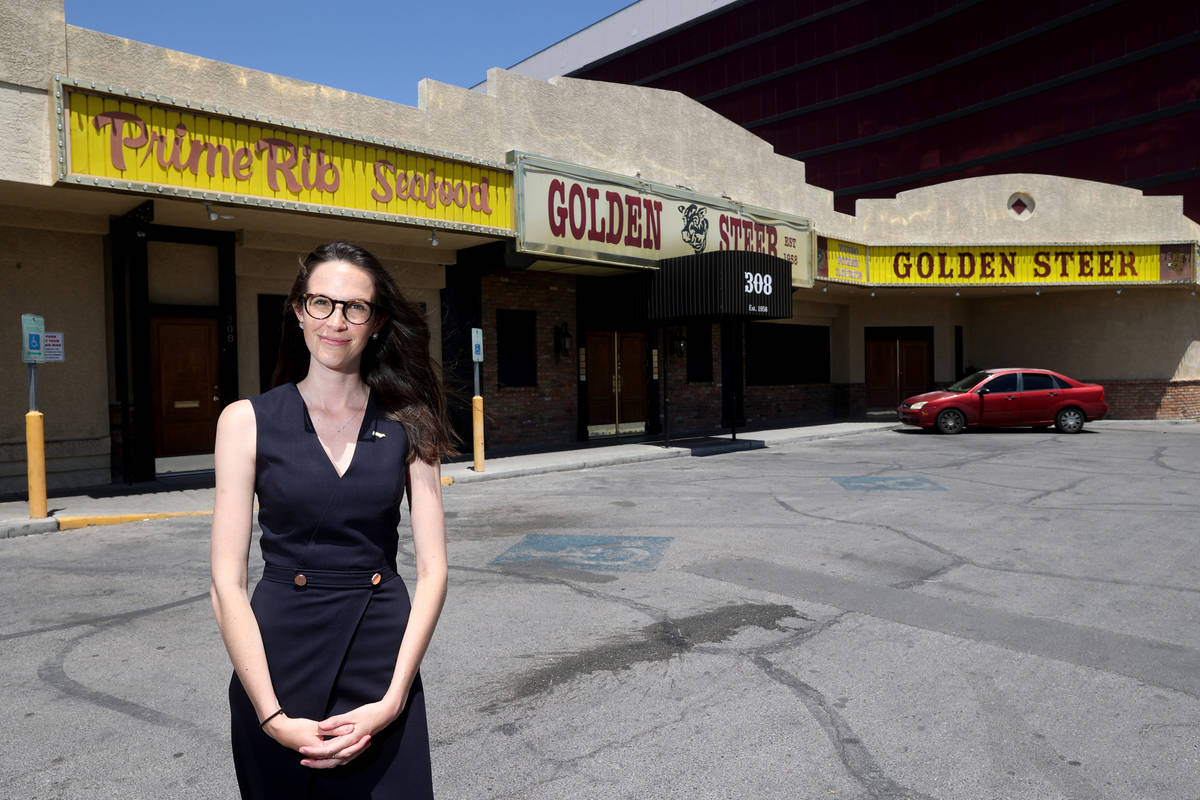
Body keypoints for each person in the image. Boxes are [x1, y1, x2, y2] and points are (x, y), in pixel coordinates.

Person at [210, 241, 453, 798]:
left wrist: (393, 700)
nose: (336, 321)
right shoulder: (245, 421)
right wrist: (272, 716)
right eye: (321, 303)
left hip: (381, 662)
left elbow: (435, 571)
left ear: (377, 321)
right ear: (298, 311)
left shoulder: (410, 420)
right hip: (275, 665)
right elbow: (226, 584)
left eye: (355, 308)